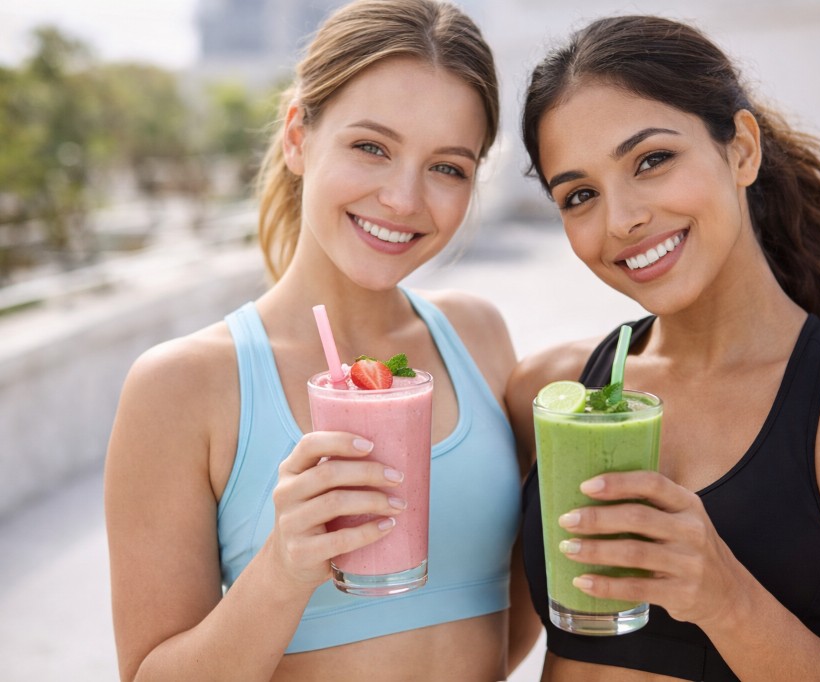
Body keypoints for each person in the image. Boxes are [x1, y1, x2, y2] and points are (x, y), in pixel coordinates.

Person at [507, 14, 820, 682]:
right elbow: (483, 648)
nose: (621, 220)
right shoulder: (548, 392)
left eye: (651, 160)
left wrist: (725, 599)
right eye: (580, 194)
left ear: (741, 150)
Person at [105, 1, 537, 679]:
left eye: (447, 167)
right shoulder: (182, 385)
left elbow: (503, 625)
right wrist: (284, 567)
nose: (402, 197)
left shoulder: (478, 337)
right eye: (372, 147)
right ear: (298, 136)